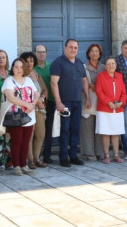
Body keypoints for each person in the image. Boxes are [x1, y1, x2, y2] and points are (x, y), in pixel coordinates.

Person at [50, 39, 90, 167]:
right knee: (65, 130)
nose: (73, 50)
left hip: (77, 101)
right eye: (71, 47)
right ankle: (63, 157)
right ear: (65, 47)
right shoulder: (58, 63)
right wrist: (58, 102)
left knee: (75, 130)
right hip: (65, 102)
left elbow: (84, 81)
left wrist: (87, 98)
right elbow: (53, 83)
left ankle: (73, 155)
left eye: (76, 48)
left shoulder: (79, 63)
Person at [2, 58, 39, 175]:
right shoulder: (9, 81)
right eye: (16, 67)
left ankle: (24, 164)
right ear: (12, 68)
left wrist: (32, 105)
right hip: (15, 116)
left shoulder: (28, 80)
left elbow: (36, 93)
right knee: (16, 141)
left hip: (29, 116)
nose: (19, 69)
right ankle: (16, 165)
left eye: (21, 67)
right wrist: (27, 104)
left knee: (26, 141)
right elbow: (10, 97)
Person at [95, 57, 127, 163]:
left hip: (117, 109)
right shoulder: (101, 76)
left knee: (115, 132)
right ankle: (106, 155)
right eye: (108, 64)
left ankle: (116, 155)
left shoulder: (120, 76)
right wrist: (108, 102)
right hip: (105, 109)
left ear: (116, 65)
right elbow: (99, 91)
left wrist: (121, 102)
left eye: (113, 63)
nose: (111, 66)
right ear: (105, 66)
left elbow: (124, 92)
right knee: (106, 132)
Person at [21, 51, 47, 169]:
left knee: (41, 134)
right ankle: (30, 159)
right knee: (29, 136)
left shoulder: (36, 74)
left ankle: (36, 157)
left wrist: (41, 99)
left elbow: (45, 90)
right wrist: (38, 102)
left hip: (39, 110)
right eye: (26, 61)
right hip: (28, 109)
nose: (29, 63)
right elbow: (25, 93)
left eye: (31, 61)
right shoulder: (21, 76)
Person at [81, 43, 105, 161]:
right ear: (88, 53)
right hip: (88, 99)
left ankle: (100, 151)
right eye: (92, 51)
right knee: (87, 126)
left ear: (100, 54)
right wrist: (91, 86)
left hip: (101, 99)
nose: (94, 53)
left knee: (99, 126)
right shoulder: (83, 67)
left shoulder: (103, 67)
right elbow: (81, 82)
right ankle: (89, 152)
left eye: (97, 51)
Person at [36, 45, 55, 165]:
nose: (41, 54)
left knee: (49, 130)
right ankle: (35, 155)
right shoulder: (33, 68)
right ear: (35, 53)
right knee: (37, 131)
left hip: (51, 101)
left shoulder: (51, 67)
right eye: (39, 52)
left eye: (43, 52)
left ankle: (47, 155)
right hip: (37, 104)